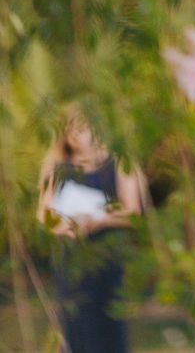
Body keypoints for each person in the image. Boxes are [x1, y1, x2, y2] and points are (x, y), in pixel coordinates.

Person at [38, 106, 147, 353]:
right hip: (71, 255)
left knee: (109, 320)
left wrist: (98, 220)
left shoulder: (118, 161)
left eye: (80, 128)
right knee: (76, 322)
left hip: (108, 254)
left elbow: (132, 211)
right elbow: (44, 214)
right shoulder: (57, 165)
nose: (74, 135)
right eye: (69, 129)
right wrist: (65, 226)